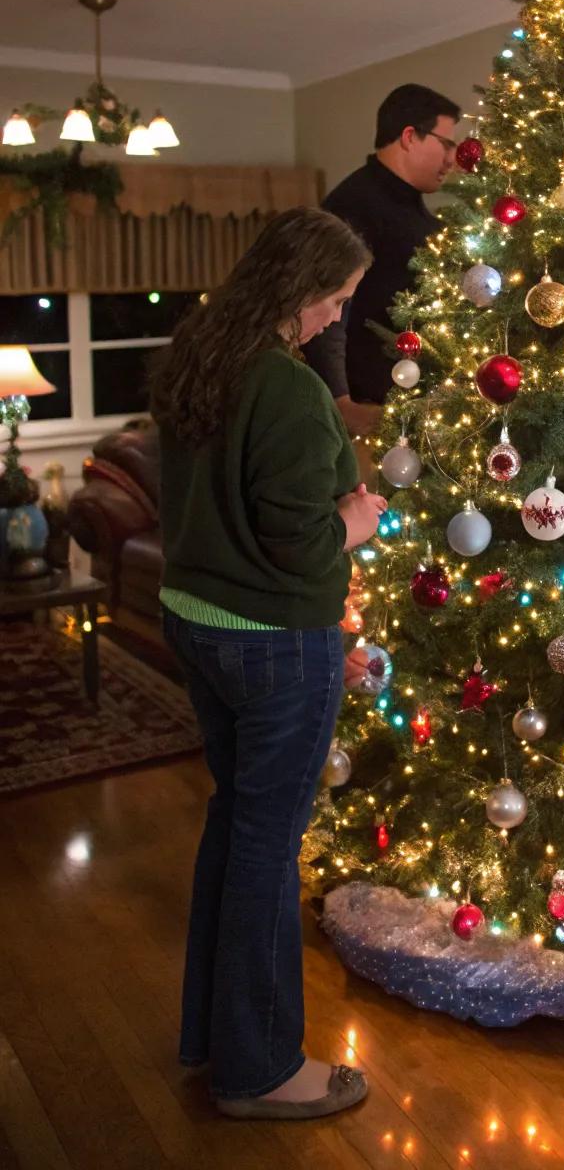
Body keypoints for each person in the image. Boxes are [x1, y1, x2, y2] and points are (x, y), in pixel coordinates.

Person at [150, 207, 386, 1120]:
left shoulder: (198, 352)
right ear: (298, 289)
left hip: (195, 622)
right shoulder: (284, 387)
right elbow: (299, 545)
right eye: (335, 298)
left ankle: (216, 1039)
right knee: (265, 845)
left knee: (236, 824)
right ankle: (260, 1070)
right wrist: (352, 523)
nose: (335, 317)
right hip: (274, 642)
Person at [302, 82, 462, 443]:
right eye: (446, 144)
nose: (452, 159)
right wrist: (342, 404)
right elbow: (326, 307)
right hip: (371, 411)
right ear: (409, 136)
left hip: (408, 404)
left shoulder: (415, 211)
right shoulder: (354, 206)